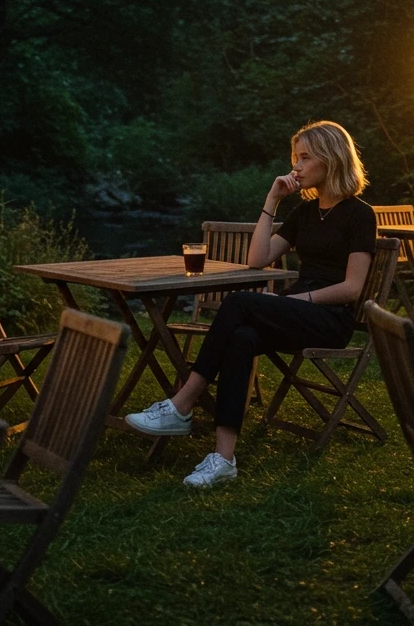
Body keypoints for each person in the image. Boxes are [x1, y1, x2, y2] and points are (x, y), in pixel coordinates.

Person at [125, 120, 378, 487]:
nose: (296, 166)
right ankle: (223, 458)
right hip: (298, 311)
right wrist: (271, 200)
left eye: (305, 158)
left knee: (240, 302)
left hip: (331, 319)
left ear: (331, 158)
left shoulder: (360, 215)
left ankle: (182, 404)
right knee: (241, 335)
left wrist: (297, 299)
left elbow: (352, 288)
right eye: (295, 158)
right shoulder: (305, 213)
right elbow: (257, 259)